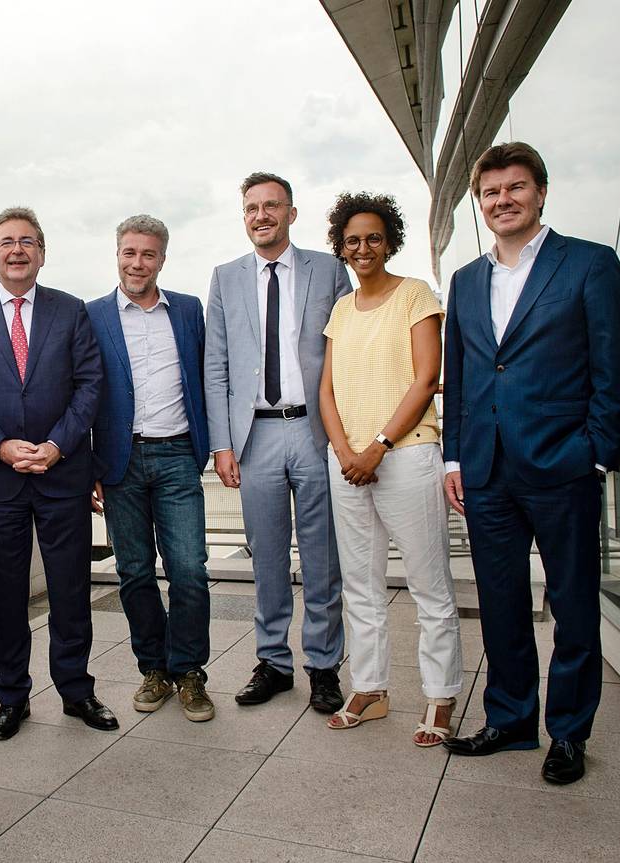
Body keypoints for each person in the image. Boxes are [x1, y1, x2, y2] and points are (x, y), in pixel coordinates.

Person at [440, 143, 620, 785]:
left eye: (516, 187)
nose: (504, 200)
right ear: (480, 202)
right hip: (486, 470)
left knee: (573, 606)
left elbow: (614, 368)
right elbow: (462, 375)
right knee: (500, 604)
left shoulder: (588, 264)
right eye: (491, 192)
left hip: (563, 466)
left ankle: (569, 732)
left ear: (541, 192)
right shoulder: (466, 280)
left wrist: (596, 455)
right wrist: (453, 457)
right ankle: (511, 719)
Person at [0, 206, 115, 740]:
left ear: (42, 253)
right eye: (6, 242)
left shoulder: (71, 310)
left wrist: (57, 446)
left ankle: (76, 690)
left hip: (62, 474)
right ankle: (11, 696)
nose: (17, 250)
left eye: (27, 242)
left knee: (70, 589)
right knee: (6, 594)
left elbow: (90, 384)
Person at [317, 193, 464, 745]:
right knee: (360, 585)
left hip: (406, 457)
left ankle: (441, 696)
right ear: (341, 247)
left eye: (373, 238)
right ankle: (370, 688)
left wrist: (377, 447)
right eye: (352, 240)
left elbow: (426, 378)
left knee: (430, 586)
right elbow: (326, 390)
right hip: (348, 464)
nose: (363, 248)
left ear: (389, 242)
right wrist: (345, 451)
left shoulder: (415, 295)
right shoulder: (341, 309)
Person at [204, 172, 350, 713]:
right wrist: (222, 444)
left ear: (291, 212)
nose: (261, 215)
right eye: (251, 208)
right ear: (244, 216)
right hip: (255, 435)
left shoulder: (328, 270)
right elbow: (215, 366)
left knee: (322, 556)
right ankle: (273, 662)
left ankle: (324, 665)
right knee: (266, 557)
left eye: (271, 205)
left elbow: (348, 350)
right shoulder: (226, 278)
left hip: (316, 430)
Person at [87, 214, 215, 722]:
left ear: (162, 258)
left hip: (178, 454)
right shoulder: (92, 315)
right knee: (135, 572)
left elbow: (207, 375)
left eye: (148, 254)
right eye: (129, 252)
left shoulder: (187, 309)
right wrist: (88, 466)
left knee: (189, 569)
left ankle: (189, 671)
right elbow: (82, 391)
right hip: (119, 462)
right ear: (117, 254)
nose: (137, 263)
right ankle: (154, 669)